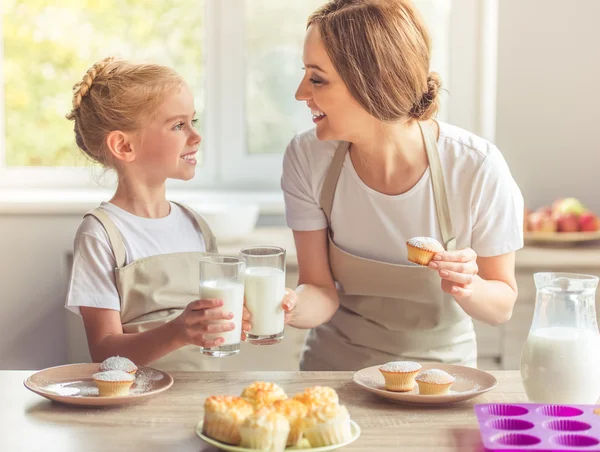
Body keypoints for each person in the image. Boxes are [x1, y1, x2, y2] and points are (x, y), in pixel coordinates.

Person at [280, 0, 524, 371]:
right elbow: (319, 288)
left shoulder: (475, 167)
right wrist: (284, 307)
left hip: (442, 381)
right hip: (332, 378)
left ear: (373, 83)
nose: (301, 92)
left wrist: (467, 285)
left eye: (317, 78)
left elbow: (502, 304)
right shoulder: (307, 156)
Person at [64, 57, 296, 371]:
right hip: (139, 403)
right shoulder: (101, 234)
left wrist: (248, 312)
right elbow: (104, 353)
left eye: (193, 122)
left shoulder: (195, 226)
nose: (195, 136)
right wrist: (178, 331)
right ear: (124, 145)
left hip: (206, 395)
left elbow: (217, 329)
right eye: (178, 125)